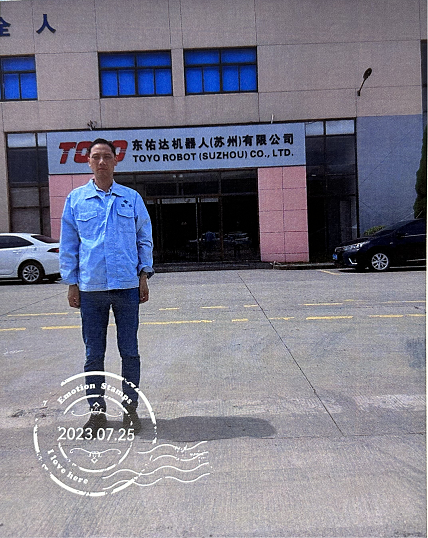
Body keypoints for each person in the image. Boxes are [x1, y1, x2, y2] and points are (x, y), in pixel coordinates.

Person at [59, 138, 154, 435]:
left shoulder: (131, 198)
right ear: (88, 162)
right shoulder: (76, 200)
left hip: (126, 286)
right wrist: (71, 283)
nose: (101, 162)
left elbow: (144, 238)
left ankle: (130, 411)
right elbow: (69, 244)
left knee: (130, 351)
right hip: (91, 288)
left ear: (115, 161)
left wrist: (143, 275)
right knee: (93, 354)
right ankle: (97, 413)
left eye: (107, 157)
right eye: (96, 157)